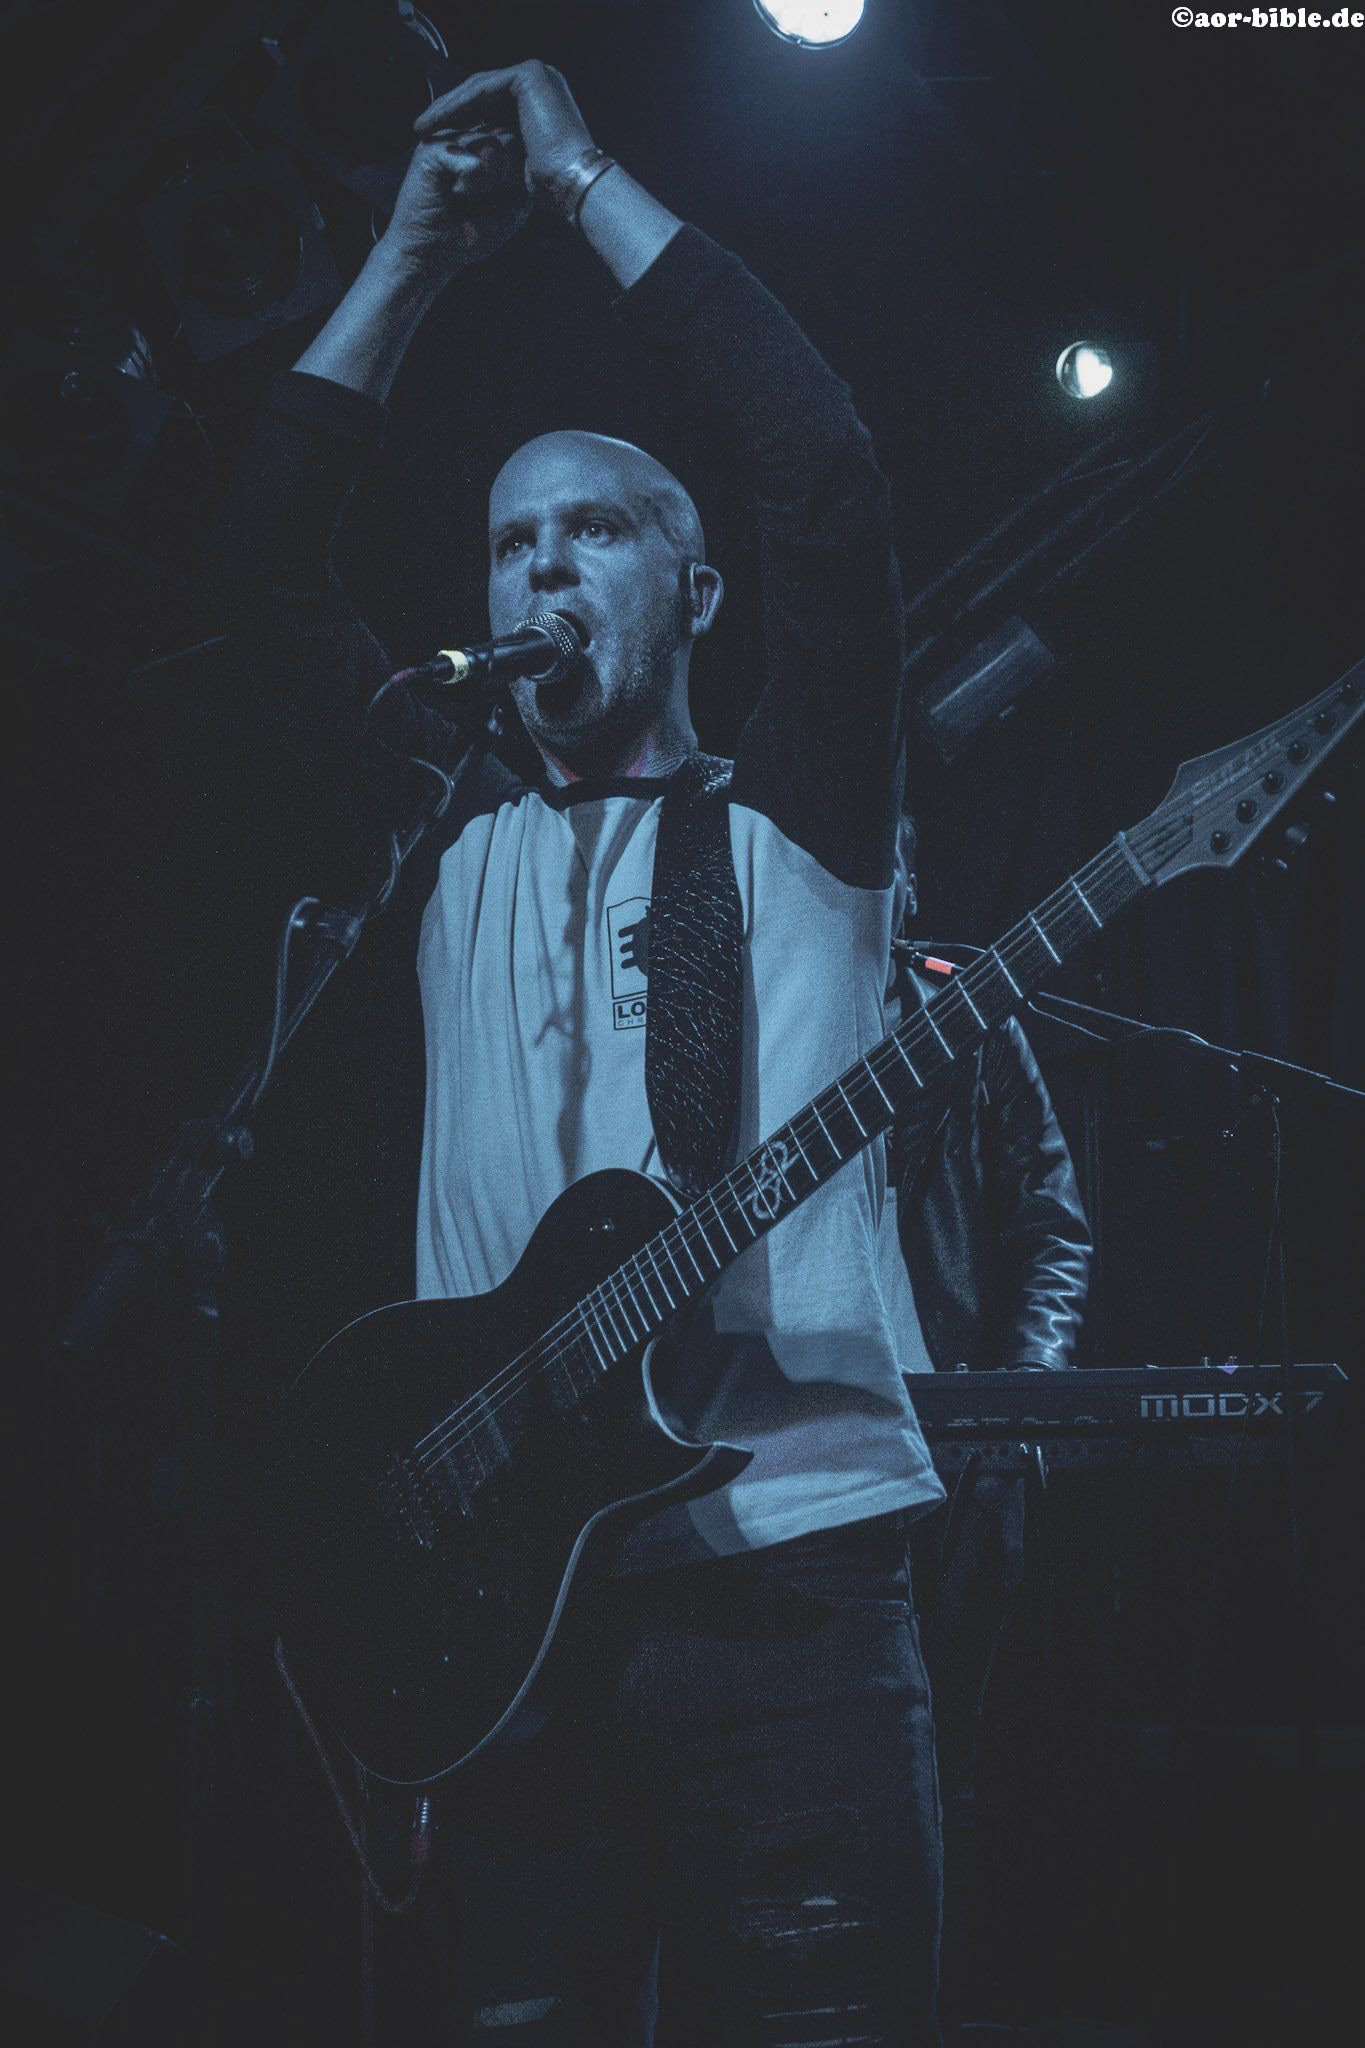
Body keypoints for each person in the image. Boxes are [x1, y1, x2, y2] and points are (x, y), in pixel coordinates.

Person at [208, 60, 947, 2047]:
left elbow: (824, 477)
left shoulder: (796, 815)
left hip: (781, 1579)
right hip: (496, 1616)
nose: (542, 568)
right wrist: (411, 253)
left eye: (595, 530)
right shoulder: (444, 837)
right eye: (512, 540)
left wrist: (583, 182)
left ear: (690, 590)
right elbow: (263, 564)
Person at [880, 812, 1092, 2030]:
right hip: (805, 1451)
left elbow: (1053, 1226)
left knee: (945, 1761)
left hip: (960, 1450)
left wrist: (1022, 1411)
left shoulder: (965, 1010)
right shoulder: (759, 1009)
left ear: (907, 874)